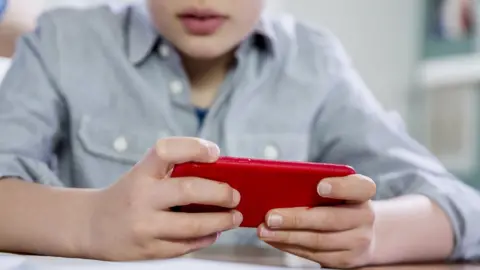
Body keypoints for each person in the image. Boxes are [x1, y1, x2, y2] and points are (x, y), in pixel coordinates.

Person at [0, 0, 478, 268]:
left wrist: (374, 235)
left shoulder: (314, 60)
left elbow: (462, 207)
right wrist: (91, 222)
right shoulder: (61, 40)